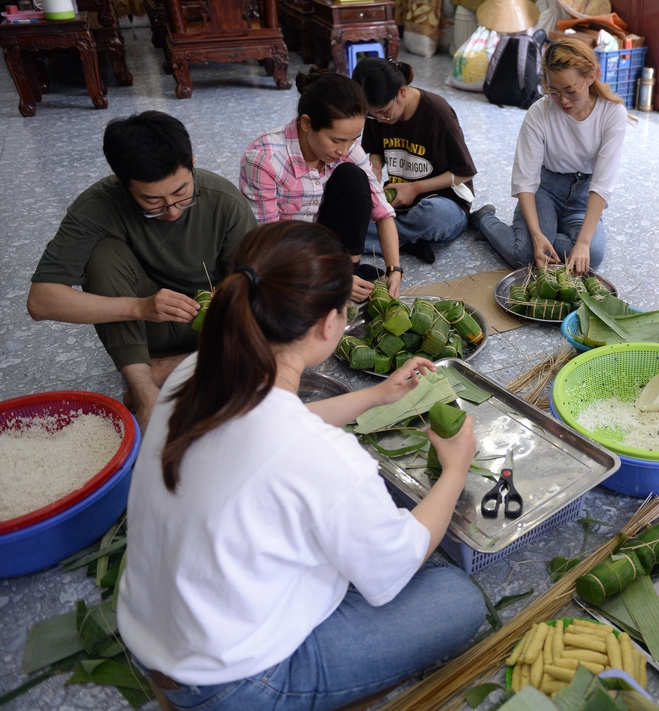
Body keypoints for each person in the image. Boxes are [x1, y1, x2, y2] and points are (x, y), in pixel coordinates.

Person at [117, 221, 484, 711]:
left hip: (151, 636)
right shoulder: (323, 456)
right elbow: (396, 563)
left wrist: (375, 396)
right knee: (456, 598)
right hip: (233, 684)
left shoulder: (195, 371)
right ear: (329, 325)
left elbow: (272, 429)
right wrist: (456, 467)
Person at [26, 111, 256, 433]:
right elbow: (40, 301)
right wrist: (139, 307)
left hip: (214, 325)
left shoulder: (223, 200)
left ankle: (168, 368)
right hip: (146, 327)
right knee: (103, 254)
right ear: (122, 181)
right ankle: (146, 391)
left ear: (191, 161)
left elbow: (258, 282)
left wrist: (232, 296)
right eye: (154, 202)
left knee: (278, 328)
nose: (173, 211)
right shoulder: (97, 206)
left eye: (181, 194)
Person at [239, 69, 403, 302]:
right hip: (285, 254)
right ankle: (339, 277)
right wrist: (326, 276)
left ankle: (350, 269)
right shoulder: (264, 160)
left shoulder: (347, 150)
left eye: (352, 139)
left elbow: (382, 210)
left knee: (353, 177)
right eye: (336, 140)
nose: (344, 150)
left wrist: (394, 269)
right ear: (306, 123)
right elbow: (267, 244)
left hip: (325, 241)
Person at [472, 37, 629, 274]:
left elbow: (602, 184)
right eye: (554, 92)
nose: (563, 101)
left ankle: (547, 232)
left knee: (592, 255)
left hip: (583, 196)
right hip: (545, 190)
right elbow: (525, 179)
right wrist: (536, 235)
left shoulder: (612, 113)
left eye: (571, 91)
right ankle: (484, 220)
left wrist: (584, 243)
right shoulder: (539, 112)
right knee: (525, 254)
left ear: (591, 75)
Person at [353, 57, 482, 266]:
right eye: (372, 114)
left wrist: (414, 188)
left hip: (445, 201)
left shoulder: (437, 112)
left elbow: (464, 173)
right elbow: (375, 150)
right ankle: (408, 242)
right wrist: (375, 167)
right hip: (399, 200)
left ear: (402, 92)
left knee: (432, 218)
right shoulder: (378, 113)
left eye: (384, 112)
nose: (379, 119)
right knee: (347, 211)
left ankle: (391, 238)